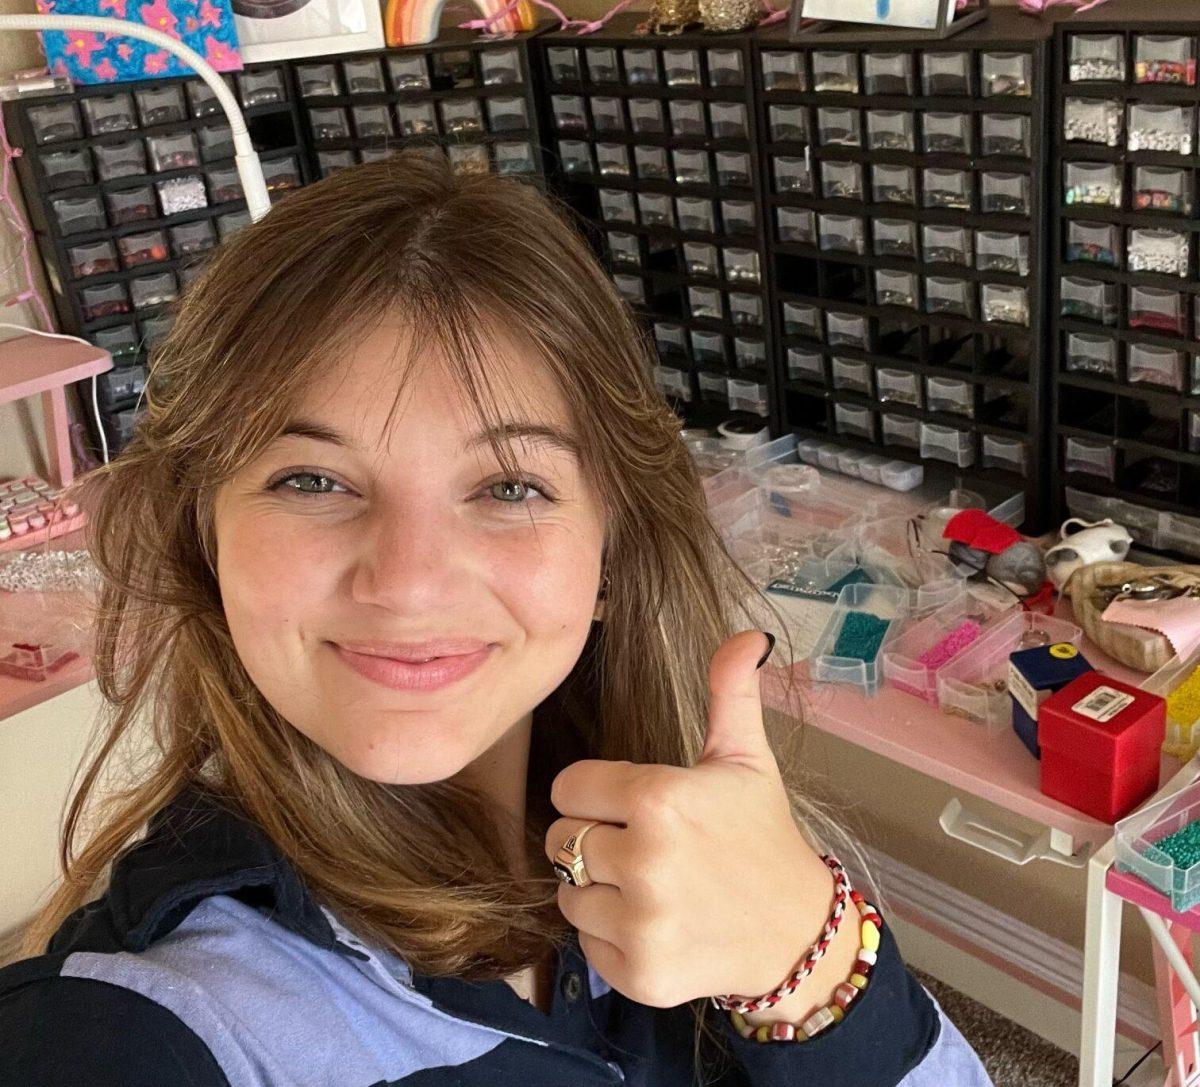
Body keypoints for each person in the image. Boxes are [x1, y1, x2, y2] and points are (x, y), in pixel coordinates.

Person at [0, 148, 993, 1086]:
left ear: (611, 551)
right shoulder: (131, 1026)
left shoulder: (723, 856)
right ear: (203, 538)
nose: (410, 580)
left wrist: (804, 955)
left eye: (510, 486)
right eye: (313, 478)